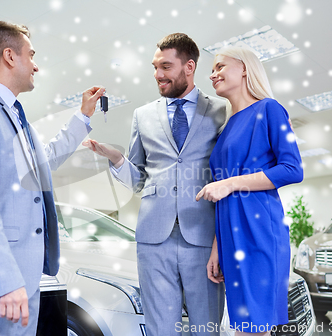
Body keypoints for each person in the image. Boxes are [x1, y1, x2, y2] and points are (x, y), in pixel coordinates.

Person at [0, 21, 104, 336]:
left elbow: (46, 160)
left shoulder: (17, 118)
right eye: (30, 55)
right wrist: (5, 279)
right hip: (0, 283)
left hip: (24, 276)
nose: (36, 64)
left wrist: (83, 116)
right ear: (9, 56)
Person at [83, 33, 226, 336]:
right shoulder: (143, 115)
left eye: (165, 67)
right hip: (153, 238)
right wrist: (119, 160)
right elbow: (138, 180)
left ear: (189, 66)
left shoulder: (220, 110)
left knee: (206, 327)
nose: (157, 75)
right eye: (154, 67)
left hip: (203, 236)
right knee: (161, 328)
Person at [196, 46, 303, 336]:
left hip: (259, 233)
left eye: (220, 66)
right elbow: (222, 192)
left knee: (255, 327)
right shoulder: (227, 127)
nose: (212, 73)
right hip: (231, 236)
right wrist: (217, 248)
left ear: (244, 68)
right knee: (244, 327)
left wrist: (230, 183)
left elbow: (293, 169)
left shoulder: (269, 109)